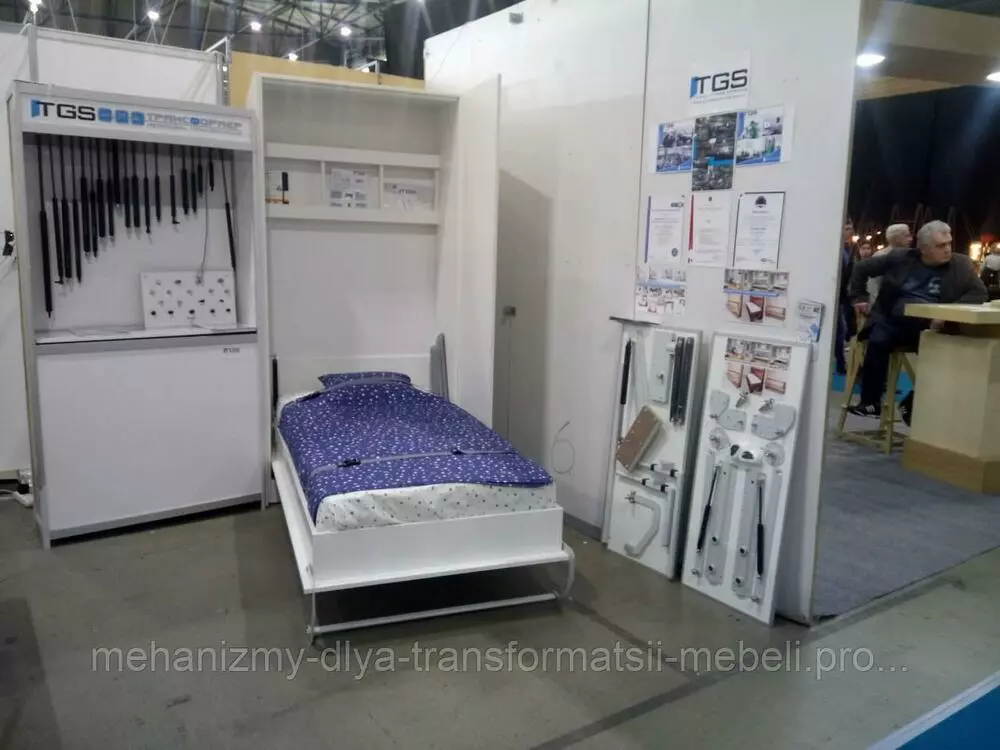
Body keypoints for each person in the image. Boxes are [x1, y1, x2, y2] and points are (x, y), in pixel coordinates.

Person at [847, 220, 987, 421]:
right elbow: (861, 268)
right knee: (878, 341)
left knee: (947, 356)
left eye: (949, 243)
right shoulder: (900, 258)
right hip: (893, 320)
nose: (947, 249)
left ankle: (913, 404)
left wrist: (946, 314)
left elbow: (979, 293)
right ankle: (870, 403)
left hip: (931, 326)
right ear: (924, 249)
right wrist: (859, 298)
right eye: (940, 245)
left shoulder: (961, 264)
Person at [868, 223, 913, 302]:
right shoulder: (881, 256)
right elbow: (874, 286)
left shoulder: (910, 256)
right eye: (907, 236)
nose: (911, 239)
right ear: (897, 238)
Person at [835, 221, 856, 375]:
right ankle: (840, 363)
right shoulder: (837, 249)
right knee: (840, 330)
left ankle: (841, 363)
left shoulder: (848, 249)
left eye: (851, 229)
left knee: (842, 330)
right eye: (847, 228)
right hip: (837, 296)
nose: (850, 231)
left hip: (843, 296)